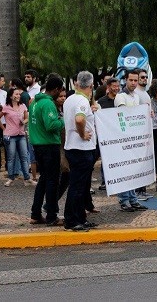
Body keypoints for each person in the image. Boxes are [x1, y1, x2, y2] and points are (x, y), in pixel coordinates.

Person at [63, 71, 99, 231]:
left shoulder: (70, 99)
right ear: (91, 85)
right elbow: (79, 119)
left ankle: (80, 217)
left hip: (73, 147)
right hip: (81, 148)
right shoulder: (82, 101)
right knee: (77, 186)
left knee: (81, 186)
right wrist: (82, 133)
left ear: (77, 83)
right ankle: (71, 220)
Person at [29, 76, 65, 226]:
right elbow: (51, 125)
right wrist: (63, 120)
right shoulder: (48, 104)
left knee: (43, 180)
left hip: (38, 144)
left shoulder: (35, 102)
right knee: (52, 182)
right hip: (49, 145)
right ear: (56, 89)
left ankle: (35, 213)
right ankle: (52, 215)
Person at [113, 70, 148, 212]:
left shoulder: (136, 97)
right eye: (131, 80)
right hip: (123, 139)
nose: (133, 83)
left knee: (133, 170)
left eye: (135, 80)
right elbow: (124, 116)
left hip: (134, 138)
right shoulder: (120, 97)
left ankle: (133, 199)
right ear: (125, 80)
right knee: (125, 171)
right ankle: (124, 200)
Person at [0, 88, 32, 186]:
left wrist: (24, 122)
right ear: (10, 96)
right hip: (10, 135)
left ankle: (27, 178)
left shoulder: (23, 106)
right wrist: (4, 129)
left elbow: (27, 118)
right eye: (16, 94)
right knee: (11, 157)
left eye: (19, 94)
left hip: (21, 134)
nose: (18, 96)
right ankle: (10, 178)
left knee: (24, 157)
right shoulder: (6, 107)